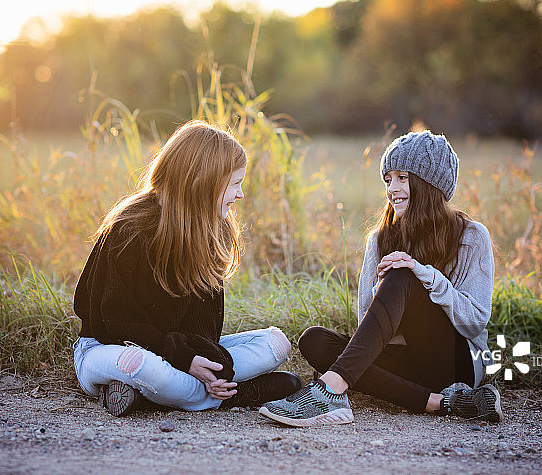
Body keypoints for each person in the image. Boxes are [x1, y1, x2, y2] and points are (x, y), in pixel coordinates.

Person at [260, 130, 501, 427]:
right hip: (405, 362)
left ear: (429, 183)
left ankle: (329, 390)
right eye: (388, 179)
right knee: (315, 341)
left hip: (454, 362)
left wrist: (421, 275)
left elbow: (475, 320)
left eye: (402, 177)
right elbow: (366, 327)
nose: (392, 188)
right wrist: (382, 289)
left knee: (402, 275)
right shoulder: (380, 239)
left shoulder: (471, 236)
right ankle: (443, 402)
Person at [73, 120, 301, 417]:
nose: (240, 194)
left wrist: (207, 365)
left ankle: (149, 396)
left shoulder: (212, 232)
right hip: (108, 350)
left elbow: (204, 331)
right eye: (234, 183)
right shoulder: (129, 229)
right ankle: (238, 394)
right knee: (142, 366)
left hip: (178, 351)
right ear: (201, 182)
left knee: (276, 345)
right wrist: (186, 360)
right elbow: (115, 324)